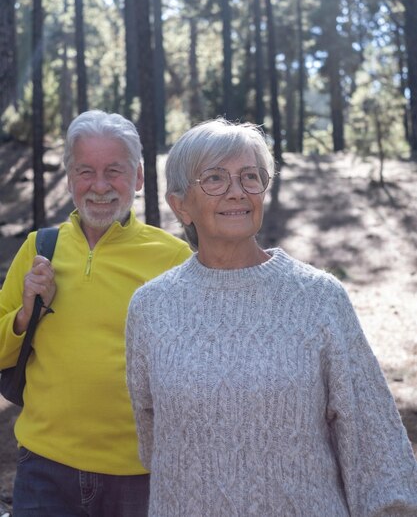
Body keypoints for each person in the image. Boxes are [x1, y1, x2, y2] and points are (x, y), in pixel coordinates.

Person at [126, 117, 417, 516]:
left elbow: (375, 447)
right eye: (214, 178)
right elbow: (153, 441)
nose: (237, 193)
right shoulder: (151, 307)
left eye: (251, 177)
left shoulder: (318, 298)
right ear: (180, 204)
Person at [0, 110, 192, 517]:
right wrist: (25, 314)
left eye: (115, 171)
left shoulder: (174, 259)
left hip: (139, 475)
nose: (100, 186)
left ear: (138, 177)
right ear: (69, 176)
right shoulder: (40, 248)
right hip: (44, 470)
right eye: (85, 171)